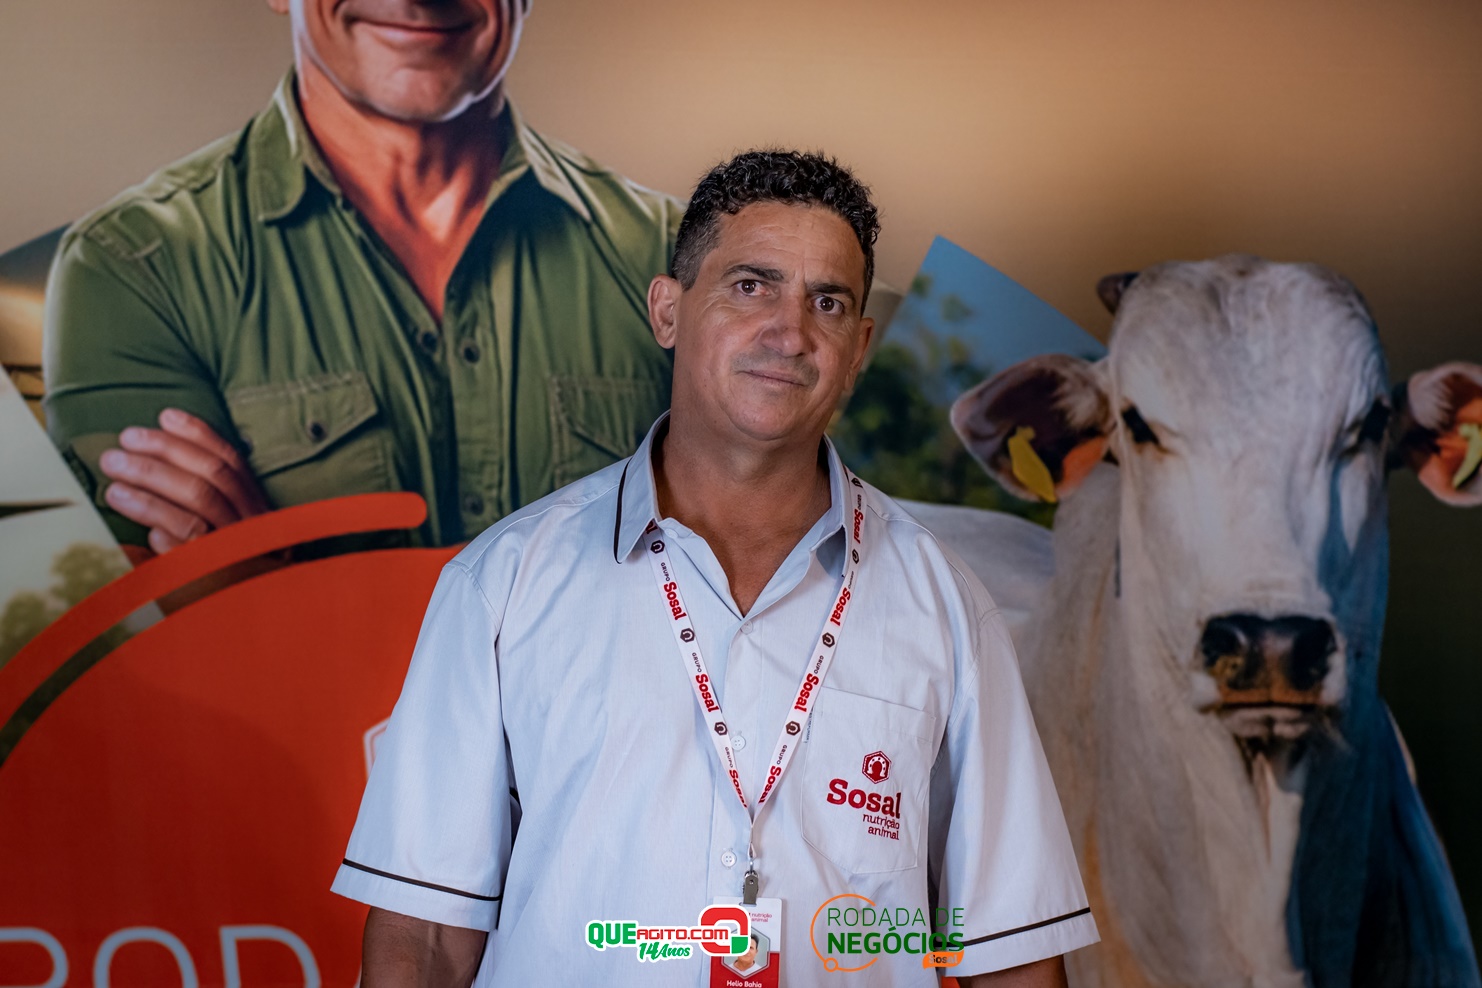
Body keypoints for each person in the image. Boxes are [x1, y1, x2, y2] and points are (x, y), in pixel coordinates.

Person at [331, 150, 1098, 986]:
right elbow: (424, 938)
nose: (790, 333)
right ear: (668, 310)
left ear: (858, 347)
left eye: (828, 302)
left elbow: (1012, 957)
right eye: (751, 286)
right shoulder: (503, 585)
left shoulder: (948, 607)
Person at [42, 0, 680, 561]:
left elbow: (723, 594)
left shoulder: (675, 257)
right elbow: (160, 634)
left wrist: (274, 590)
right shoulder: (134, 267)